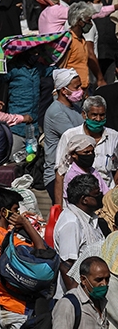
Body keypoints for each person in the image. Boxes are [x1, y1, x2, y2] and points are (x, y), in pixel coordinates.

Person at [56, 96, 118, 196]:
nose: (98, 119)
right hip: (77, 198)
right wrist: (58, 206)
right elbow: (60, 173)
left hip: (106, 195)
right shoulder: (70, 136)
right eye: (94, 115)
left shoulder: (114, 137)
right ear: (84, 115)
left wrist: (113, 196)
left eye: (102, 115)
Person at [55, 175, 108, 289]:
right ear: (85, 199)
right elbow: (66, 266)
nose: (101, 196)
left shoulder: (91, 218)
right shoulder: (71, 223)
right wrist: (76, 299)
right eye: (97, 194)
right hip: (79, 295)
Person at [46, 69, 87, 202]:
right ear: (64, 90)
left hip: (74, 171)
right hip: (57, 175)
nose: (80, 89)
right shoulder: (56, 112)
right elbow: (77, 140)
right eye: (76, 87)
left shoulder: (75, 107)